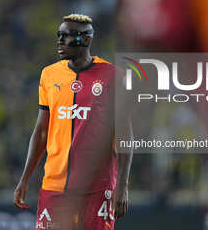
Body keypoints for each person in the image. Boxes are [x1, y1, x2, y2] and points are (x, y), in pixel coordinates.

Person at [13, 14, 133, 230]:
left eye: (66, 36)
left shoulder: (112, 76)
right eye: (59, 35)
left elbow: (125, 133)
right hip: (55, 184)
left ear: (86, 40)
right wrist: (25, 178)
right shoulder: (49, 75)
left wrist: (122, 185)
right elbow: (41, 131)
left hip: (97, 186)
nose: (60, 41)